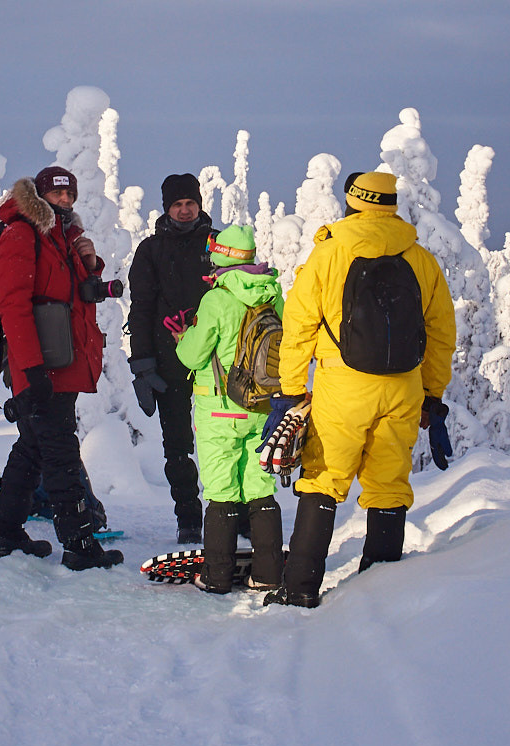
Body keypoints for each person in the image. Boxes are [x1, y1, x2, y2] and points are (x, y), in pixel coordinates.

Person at [269, 169, 455, 608]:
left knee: (324, 479)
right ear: (390, 205)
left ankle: (299, 589)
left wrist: (292, 390)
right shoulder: (421, 259)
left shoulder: (329, 254)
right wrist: (432, 394)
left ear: (352, 202)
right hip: (403, 387)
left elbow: (298, 326)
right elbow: (442, 331)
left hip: (343, 385)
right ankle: (382, 590)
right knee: (389, 483)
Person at [0, 165, 123, 571]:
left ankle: (4, 533)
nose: (64, 201)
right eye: (56, 194)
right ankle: (80, 546)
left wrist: (90, 264)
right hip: (41, 369)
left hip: (58, 365)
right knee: (60, 451)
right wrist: (31, 373)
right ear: (40, 196)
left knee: (32, 447)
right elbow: (13, 306)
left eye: (69, 195)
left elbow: (76, 297)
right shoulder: (21, 235)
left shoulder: (60, 238)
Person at [168, 223, 285, 595]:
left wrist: (182, 337)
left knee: (221, 490)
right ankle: (267, 573)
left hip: (220, 408)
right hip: (263, 408)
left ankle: (217, 575)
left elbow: (193, 355)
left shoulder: (216, 300)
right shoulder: (273, 296)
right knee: (259, 487)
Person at [127, 172, 214, 544]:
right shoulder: (150, 250)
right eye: (177, 205)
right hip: (167, 361)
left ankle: (236, 514)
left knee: (223, 440)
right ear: (166, 209)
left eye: (189, 203)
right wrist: (142, 361)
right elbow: (141, 308)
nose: (183, 210)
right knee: (177, 446)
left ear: (199, 204)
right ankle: (189, 519)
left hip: (216, 360)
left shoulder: (218, 244)